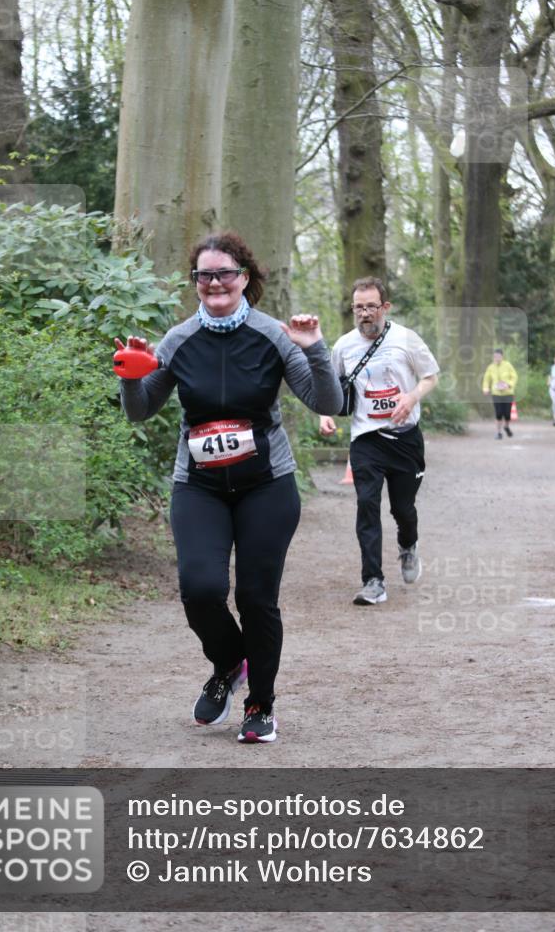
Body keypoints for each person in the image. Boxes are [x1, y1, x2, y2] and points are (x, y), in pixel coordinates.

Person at [116, 232, 342, 744]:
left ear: (244, 277)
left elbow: (326, 403)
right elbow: (139, 410)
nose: (214, 282)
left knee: (257, 598)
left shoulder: (274, 336)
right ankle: (228, 663)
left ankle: (260, 703)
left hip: (267, 485)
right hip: (199, 486)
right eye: (205, 275)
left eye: (225, 273)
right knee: (200, 590)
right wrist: (130, 374)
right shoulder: (178, 340)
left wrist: (315, 348)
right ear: (195, 282)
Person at [319, 277, 439, 606]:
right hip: (366, 438)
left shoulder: (406, 339)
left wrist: (411, 397)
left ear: (385, 307)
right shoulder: (343, 346)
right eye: (358, 307)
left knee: (403, 509)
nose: (364, 313)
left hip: (405, 439)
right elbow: (330, 387)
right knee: (366, 505)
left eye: (371, 306)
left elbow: (431, 376)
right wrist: (324, 414)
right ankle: (373, 581)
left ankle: (408, 546)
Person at [482, 349, 518, 440]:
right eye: (495, 356)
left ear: (502, 357)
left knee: (507, 414)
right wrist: (485, 388)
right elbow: (486, 379)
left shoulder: (508, 365)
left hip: (508, 393)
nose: (497, 358)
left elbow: (514, 376)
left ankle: (506, 426)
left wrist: (509, 385)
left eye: (498, 356)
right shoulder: (491, 367)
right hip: (496, 393)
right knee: (498, 413)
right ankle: (499, 433)